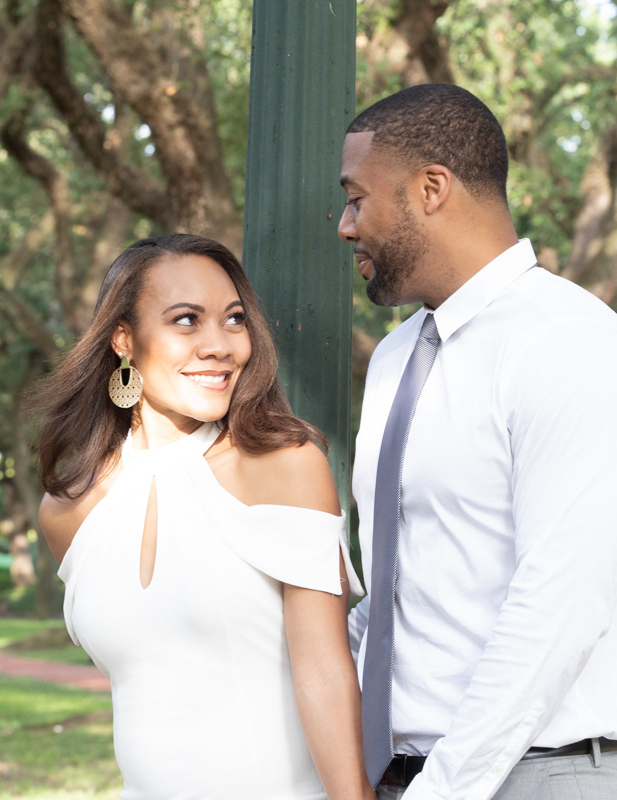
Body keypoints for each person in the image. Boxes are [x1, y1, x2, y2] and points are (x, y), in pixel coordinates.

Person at [339, 83, 617, 800]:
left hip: (539, 776)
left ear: (431, 189)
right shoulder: (395, 358)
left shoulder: (570, 341)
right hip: (404, 777)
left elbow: (558, 608)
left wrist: (442, 791)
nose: (345, 226)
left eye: (357, 199)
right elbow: (400, 598)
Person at [33, 233, 375, 800]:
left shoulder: (285, 466)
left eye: (234, 320)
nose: (220, 345)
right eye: (186, 321)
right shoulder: (69, 511)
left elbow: (325, 672)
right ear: (124, 339)